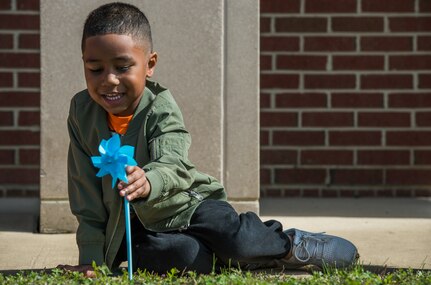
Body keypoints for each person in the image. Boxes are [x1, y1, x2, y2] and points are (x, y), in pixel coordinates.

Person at [58, 2, 359, 277]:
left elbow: (174, 163)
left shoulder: (159, 107)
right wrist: (92, 259)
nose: (108, 80)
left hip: (188, 204)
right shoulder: (81, 113)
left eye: (122, 67)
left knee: (236, 240)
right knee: (179, 256)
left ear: (149, 65)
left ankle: (286, 244)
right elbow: (85, 193)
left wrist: (149, 181)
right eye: (95, 68)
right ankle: (236, 259)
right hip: (138, 225)